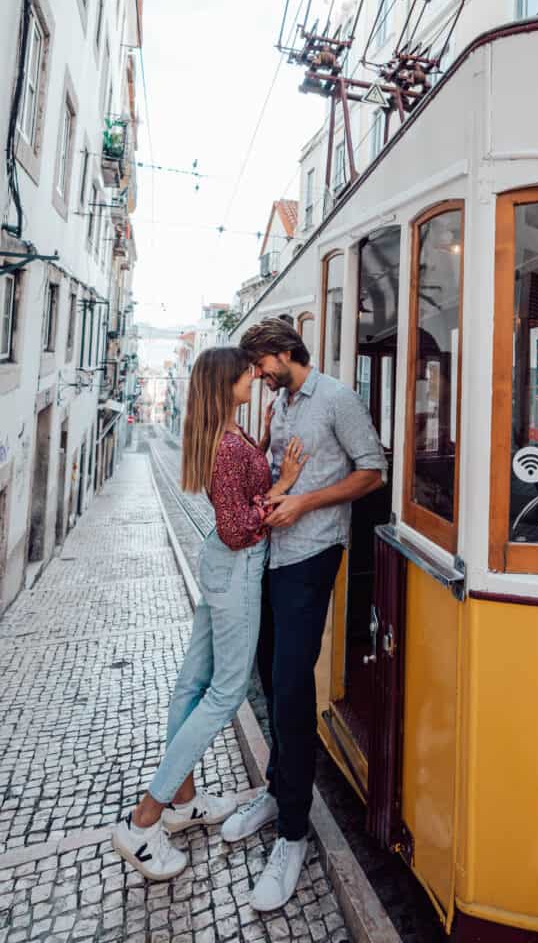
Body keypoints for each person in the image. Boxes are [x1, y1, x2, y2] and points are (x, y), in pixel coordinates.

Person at [112, 346, 307, 881]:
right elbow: (238, 526)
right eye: (247, 372)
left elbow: (240, 491)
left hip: (222, 567)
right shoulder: (226, 447)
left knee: (192, 683)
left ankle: (181, 802)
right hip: (237, 566)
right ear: (227, 382)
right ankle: (143, 822)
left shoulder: (228, 435)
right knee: (224, 693)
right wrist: (286, 484)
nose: (255, 375)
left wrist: (264, 441)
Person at [223, 318, 387, 912]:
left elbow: (373, 471)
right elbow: (274, 476)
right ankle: (277, 790)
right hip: (273, 556)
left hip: (313, 555)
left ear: (282, 352)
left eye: (261, 363)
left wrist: (305, 500)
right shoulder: (284, 405)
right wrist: (272, 475)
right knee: (269, 676)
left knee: (292, 687)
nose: (258, 374)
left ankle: (293, 833)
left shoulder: (337, 399)